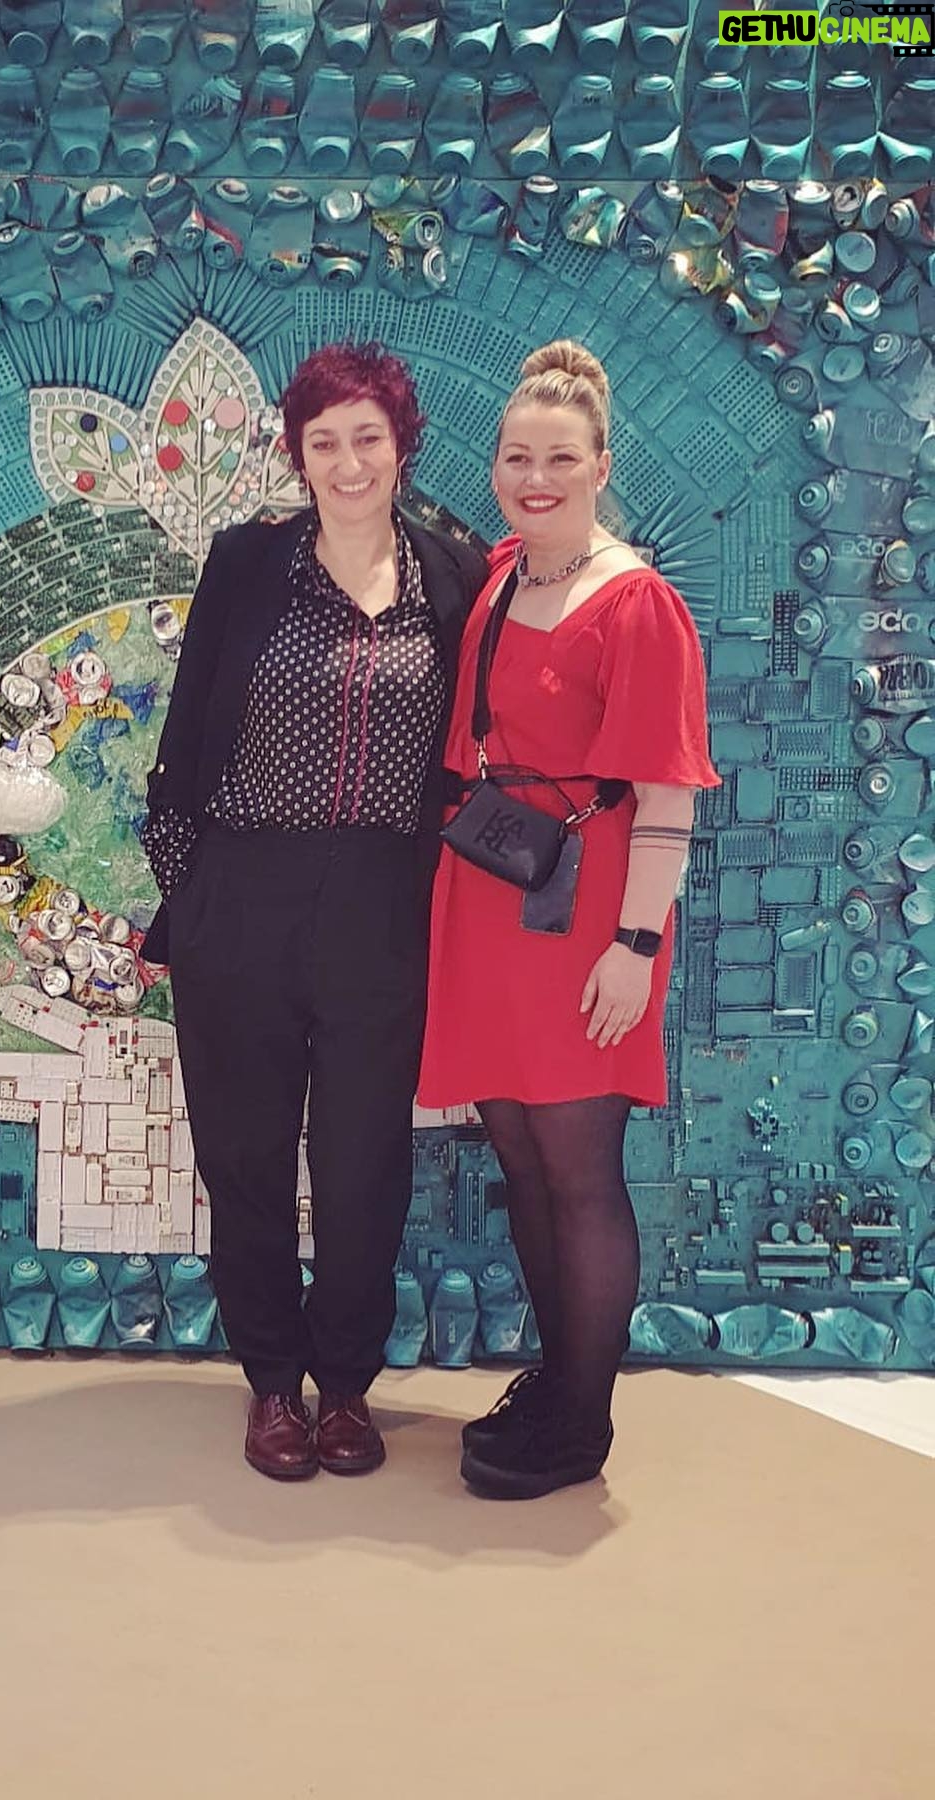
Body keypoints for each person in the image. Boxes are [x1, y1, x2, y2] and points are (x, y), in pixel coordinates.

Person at [141, 342, 484, 1480]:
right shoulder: (247, 564)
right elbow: (186, 728)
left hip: (382, 904)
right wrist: (189, 889)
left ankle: (345, 1387)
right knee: (243, 1155)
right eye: (323, 442)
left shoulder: (454, 576)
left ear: (401, 445)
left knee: (361, 1162)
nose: (347, 462)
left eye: (366, 438)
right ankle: (271, 1385)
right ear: (297, 454)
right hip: (242, 894)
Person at [420, 340, 719, 1500]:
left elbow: (668, 794)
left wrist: (635, 948)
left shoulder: (637, 605)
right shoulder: (505, 573)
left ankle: (583, 1423)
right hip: (491, 896)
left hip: (586, 914)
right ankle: (555, 1382)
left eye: (559, 459)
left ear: (601, 464)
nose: (534, 478)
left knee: (581, 1170)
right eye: (516, 458)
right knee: (523, 1161)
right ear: (494, 466)